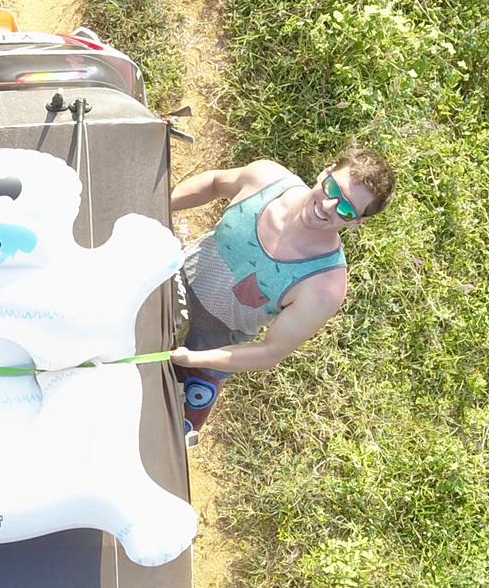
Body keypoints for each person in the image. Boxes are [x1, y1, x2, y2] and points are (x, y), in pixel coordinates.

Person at [169, 145, 395, 440]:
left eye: (346, 208)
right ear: (324, 173)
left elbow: (269, 352)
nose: (329, 206)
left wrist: (195, 360)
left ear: (357, 222)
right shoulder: (266, 178)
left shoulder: (324, 286)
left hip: (204, 358)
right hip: (166, 287)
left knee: (162, 439)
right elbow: (213, 183)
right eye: (332, 189)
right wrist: (157, 206)